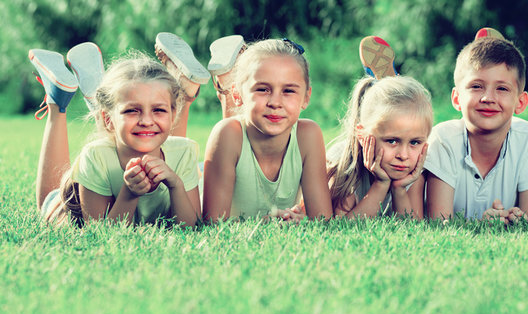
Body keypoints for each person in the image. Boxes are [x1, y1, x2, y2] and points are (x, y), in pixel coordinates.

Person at [30, 44, 201, 227]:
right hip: (69, 208)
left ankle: (95, 96)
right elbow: (102, 234)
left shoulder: (184, 152)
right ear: (109, 120)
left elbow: (190, 228)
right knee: (48, 203)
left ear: (173, 115)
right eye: (132, 111)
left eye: (158, 110)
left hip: (111, 127)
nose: (146, 121)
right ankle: (58, 102)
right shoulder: (96, 157)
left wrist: (176, 185)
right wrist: (129, 194)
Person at [425, 28, 528, 223]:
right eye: (476, 86)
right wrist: (481, 225)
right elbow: (439, 223)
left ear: (520, 103)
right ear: (456, 98)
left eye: (502, 88)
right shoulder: (443, 139)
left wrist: (515, 220)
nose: (488, 98)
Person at [202, 38, 333, 222]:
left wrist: (299, 221)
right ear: (238, 95)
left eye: (288, 91)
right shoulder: (226, 135)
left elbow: (323, 220)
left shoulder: (308, 135)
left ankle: (227, 82)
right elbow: (213, 224)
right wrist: (262, 222)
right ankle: (209, 86)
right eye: (263, 89)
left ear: (306, 97)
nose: (275, 103)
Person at [326, 36, 431, 218]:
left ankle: (389, 86)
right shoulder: (345, 167)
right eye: (392, 141)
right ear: (362, 135)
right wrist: (381, 185)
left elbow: (413, 232)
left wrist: (399, 190)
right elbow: (343, 228)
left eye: (415, 142)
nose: (403, 155)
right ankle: (388, 86)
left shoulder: (415, 175)